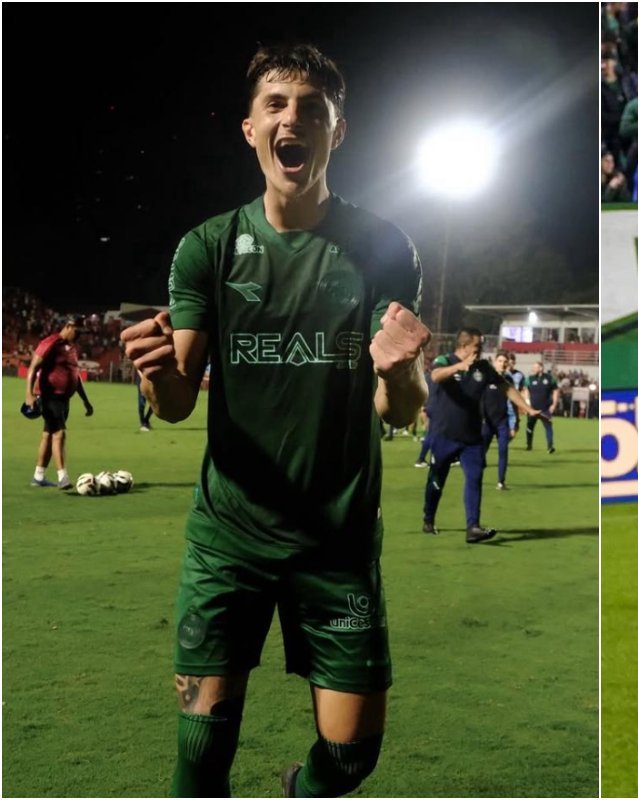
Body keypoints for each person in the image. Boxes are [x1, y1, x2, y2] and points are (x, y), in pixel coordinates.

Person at [119, 43, 430, 798]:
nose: (295, 119)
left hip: (339, 540)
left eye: (313, 109)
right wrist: (160, 376)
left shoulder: (386, 248)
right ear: (250, 129)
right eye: (277, 105)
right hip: (230, 540)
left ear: (338, 131)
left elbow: (396, 412)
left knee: (352, 757)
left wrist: (401, 376)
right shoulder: (208, 249)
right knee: (201, 758)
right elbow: (179, 400)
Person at [422, 330, 543, 540]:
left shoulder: (484, 367)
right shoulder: (445, 360)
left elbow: (507, 388)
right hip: (444, 434)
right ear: (464, 345)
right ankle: (429, 518)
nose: (480, 350)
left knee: (475, 477)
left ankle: (473, 527)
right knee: (437, 480)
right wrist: (458, 367)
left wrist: (528, 408)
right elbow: (435, 376)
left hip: (472, 438)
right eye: (477, 346)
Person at [26, 317, 93, 489]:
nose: (79, 336)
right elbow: (33, 367)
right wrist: (29, 395)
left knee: (48, 435)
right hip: (50, 397)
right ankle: (62, 476)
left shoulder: (71, 348)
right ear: (68, 326)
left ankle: (38, 476)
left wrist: (85, 401)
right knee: (59, 434)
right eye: (77, 331)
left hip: (64, 399)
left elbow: (75, 376)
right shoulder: (51, 343)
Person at [482, 352, 516, 491]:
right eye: (500, 361)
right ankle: (475, 477)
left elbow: (513, 400)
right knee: (481, 451)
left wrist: (515, 423)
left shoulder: (508, 379)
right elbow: (480, 399)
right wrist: (481, 417)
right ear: (495, 362)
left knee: (503, 451)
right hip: (487, 421)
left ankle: (501, 482)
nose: (502, 363)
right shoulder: (486, 378)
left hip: (502, 421)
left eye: (505, 361)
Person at [524, 361, 560, 453]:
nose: (533, 369)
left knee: (548, 427)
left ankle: (550, 447)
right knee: (529, 427)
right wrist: (527, 403)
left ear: (541, 368)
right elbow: (526, 390)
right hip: (532, 409)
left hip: (545, 409)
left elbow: (556, 391)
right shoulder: (530, 379)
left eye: (535, 367)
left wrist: (554, 405)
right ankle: (529, 445)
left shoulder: (550, 378)